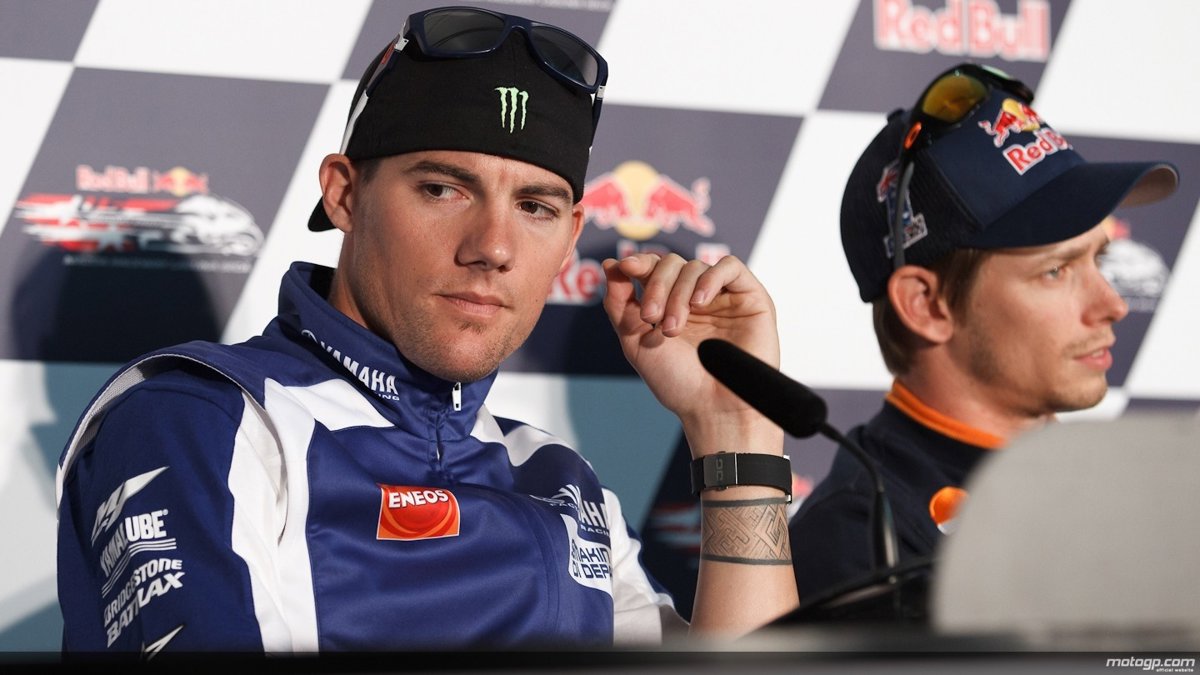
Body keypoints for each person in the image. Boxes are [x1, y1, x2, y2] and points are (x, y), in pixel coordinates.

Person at [55, 6, 797, 654]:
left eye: (534, 207)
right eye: (443, 189)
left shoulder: (559, 479)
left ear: (571, 236)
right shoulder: (204, 418)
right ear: (345, 195)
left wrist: (736, 432)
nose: (493, 246)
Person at [786, 62, 1179, 608]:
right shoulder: (862, 546)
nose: (1112, 305)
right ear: (926, 305)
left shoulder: (1129, 495)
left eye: (1100, 259)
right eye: (1056, 271)